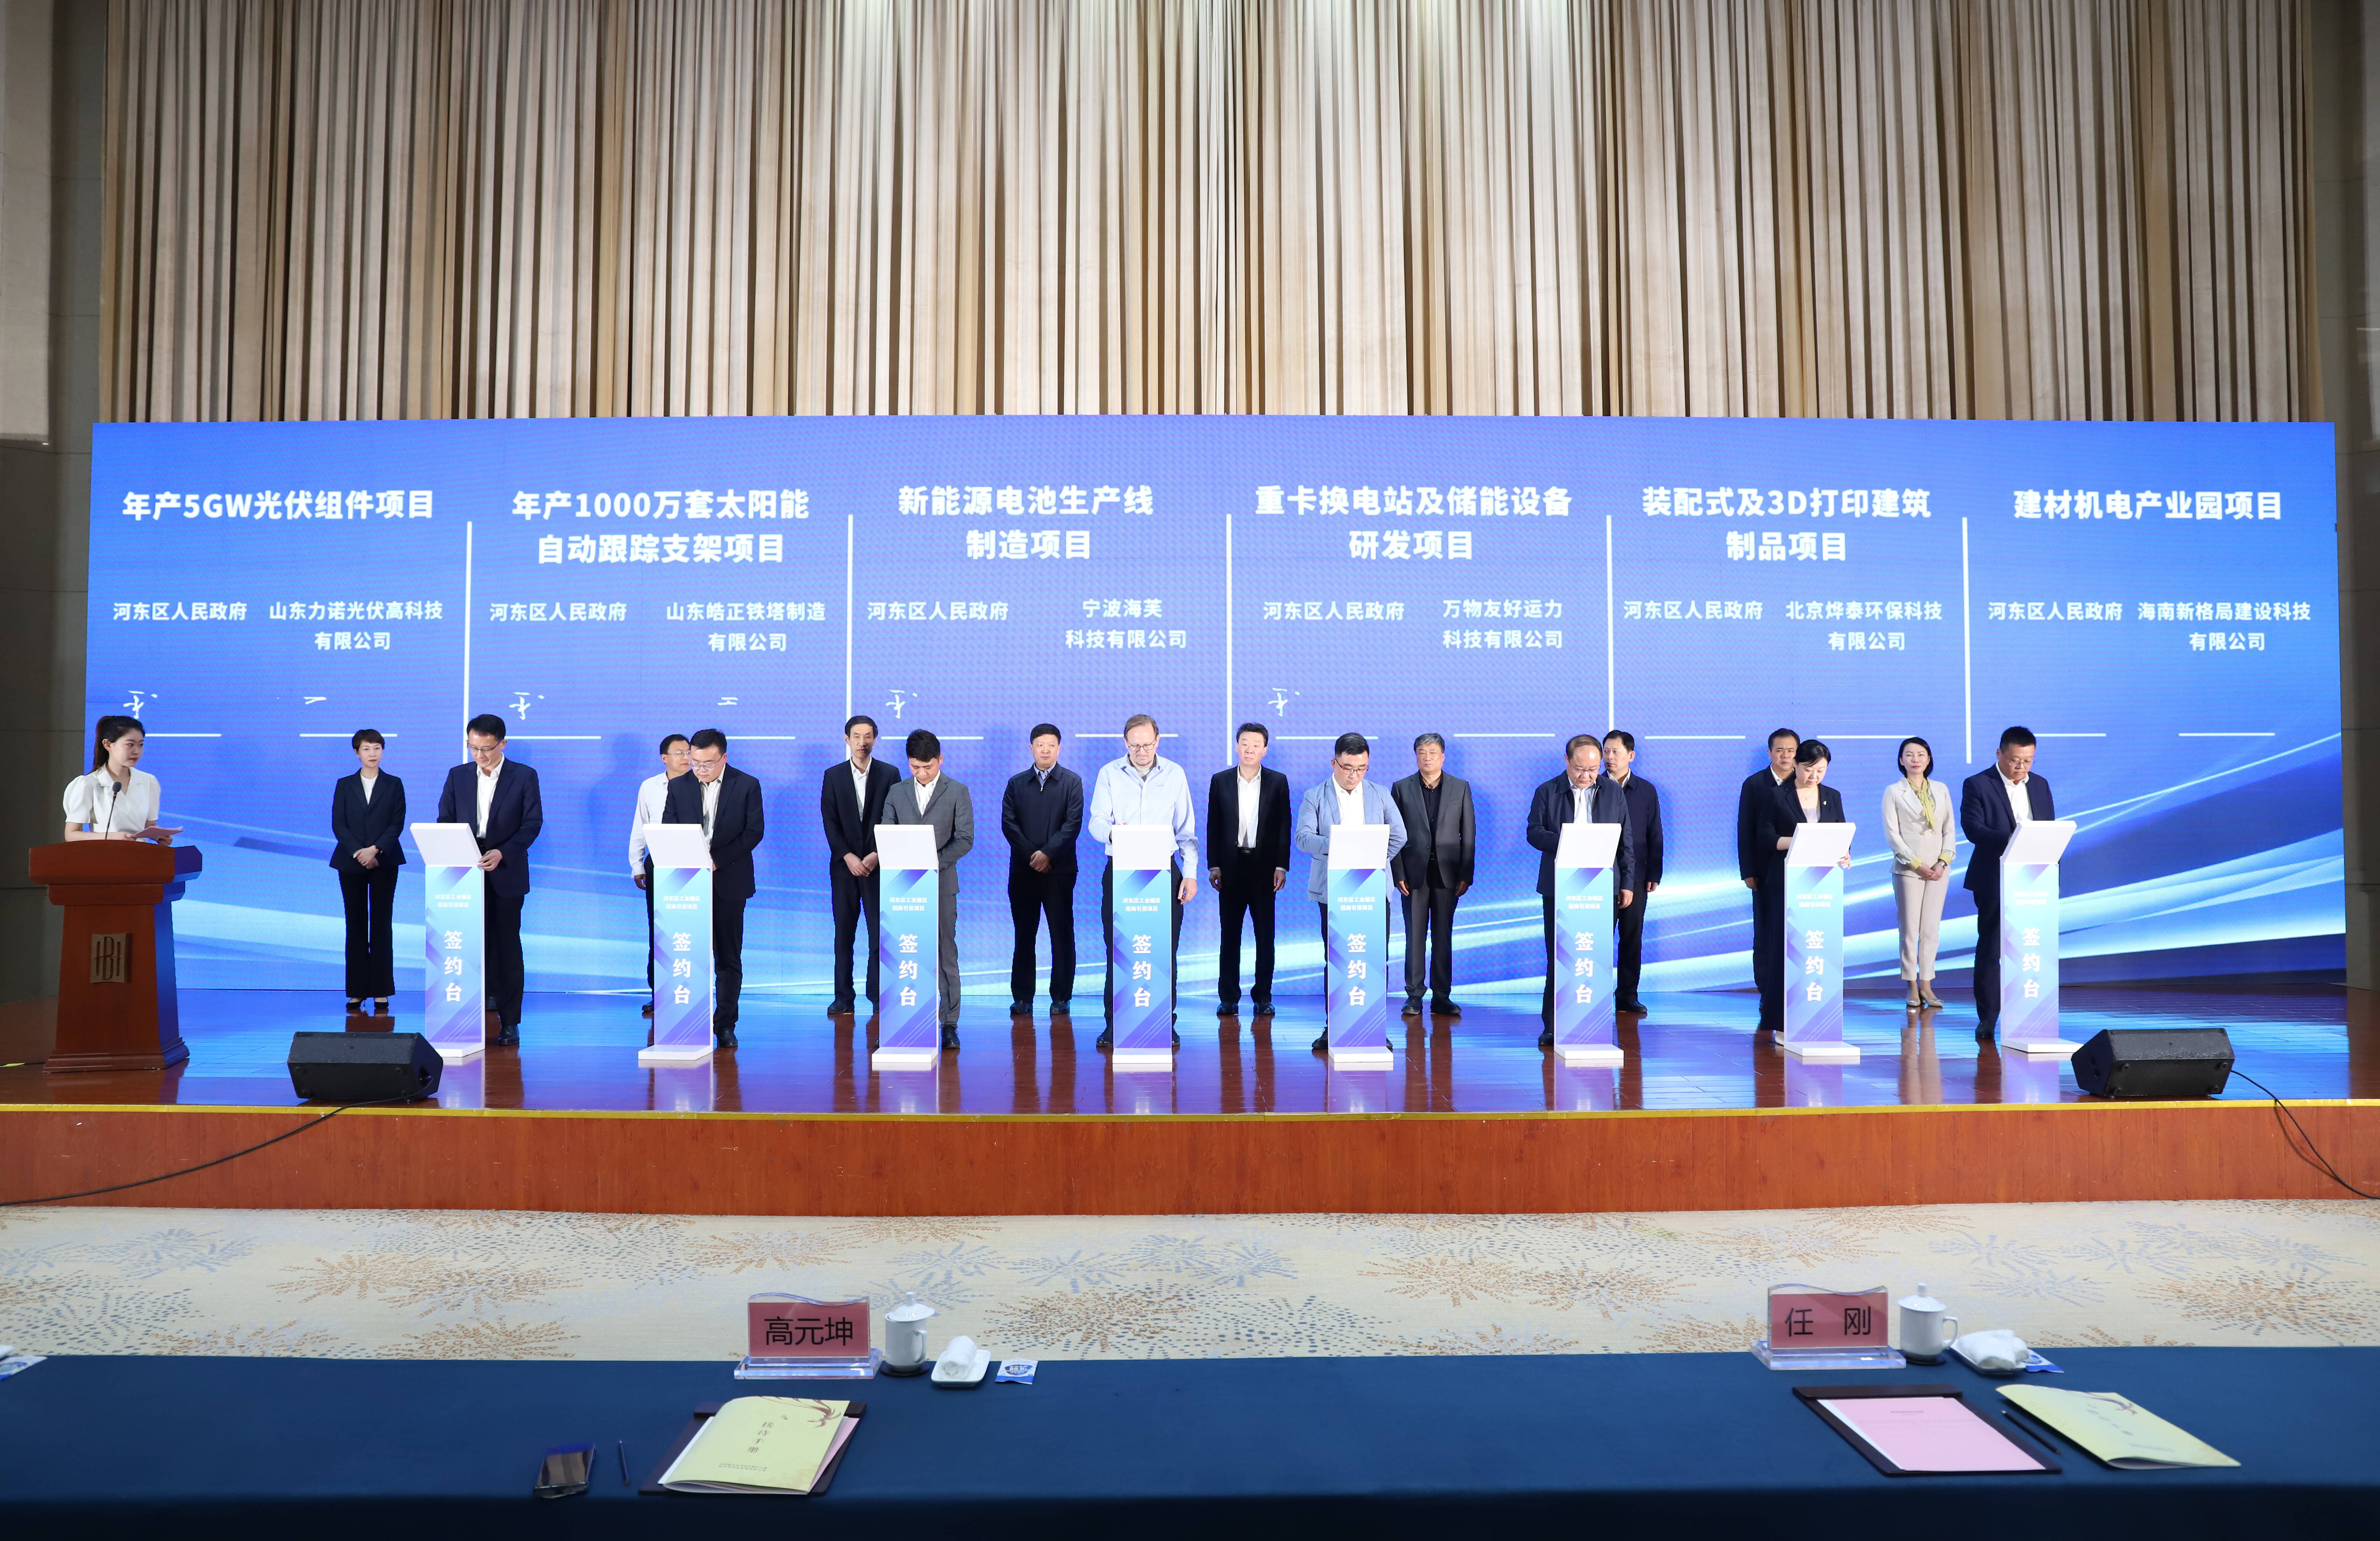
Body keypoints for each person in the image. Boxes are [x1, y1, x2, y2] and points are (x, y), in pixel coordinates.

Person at [1086, 713, 1198, 1050]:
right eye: (1135, 746)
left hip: (1164, 869)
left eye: (1148, 745)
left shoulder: (1175, 774)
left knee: (1164, 949)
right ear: (1126, 743)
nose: (1142, 751)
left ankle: (1165, 1023)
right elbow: (1096, 821)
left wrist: (1190, 874)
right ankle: (1114, 1024)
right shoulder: (1109, 773)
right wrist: (1117, 834)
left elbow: (1186, 830)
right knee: (1119, 948)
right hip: (1122, 867)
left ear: (1158, 741)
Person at [1293, 733, 1409, 1052]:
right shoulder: (1315, 796)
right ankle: (1334, 1026)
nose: (1354, 775)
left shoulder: (1380, 794)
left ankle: (1375, 1026)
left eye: (1361, 768)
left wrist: (1371, 860)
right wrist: (1343, 846)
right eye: (1347, 768)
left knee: (1374, 959)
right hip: (1333, 889)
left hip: (1373, 887)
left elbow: (1399, 836)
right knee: (1336, 960)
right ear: (1335, 763)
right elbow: (1303, 838)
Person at [436, 714, 543, 1046]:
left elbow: (532, 824)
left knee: (507, 946)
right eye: (473, 748)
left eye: (486, 749)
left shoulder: (524, 776)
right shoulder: (458, 776)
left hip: (506, 870)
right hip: (466, 872)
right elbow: (446, 819)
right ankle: (467, 1016)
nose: (479, 755)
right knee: (469, 945)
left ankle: (510, 1023)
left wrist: (502, 853)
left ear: (502, 744)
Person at [1525, 735, 1637, 1047]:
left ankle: (1593, 1024)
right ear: (1566, 761)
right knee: (1560, 958)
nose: (1587, 776)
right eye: (1579, 769)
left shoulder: (1613, 791)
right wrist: (1569, 841)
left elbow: (1625, 841)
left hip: (1602, 886)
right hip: (1560, 885)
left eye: (1593, 769)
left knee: (1594, 957)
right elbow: (1534, 832)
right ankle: (1553, 1025)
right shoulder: (1547, 791)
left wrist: (1627, 883)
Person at [663, 729, 765, 1050]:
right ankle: (686, 1021)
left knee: (728, 958)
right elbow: (669, 828)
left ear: (724, 758)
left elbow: (754, 832)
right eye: (695, 762)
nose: (700, 769)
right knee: (687, 955)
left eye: (708, 763)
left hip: (728, 881)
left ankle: (725, 1025)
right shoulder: (679, 786)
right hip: (687, 883)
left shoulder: (746, 784)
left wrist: (716, 862)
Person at [878, 729, 974, 1050]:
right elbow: (888, 832)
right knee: (902, 953)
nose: (921, 774)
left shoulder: (958, 791)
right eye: (915, 767)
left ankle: (949, 1023)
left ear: (941, 760)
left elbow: (965, 839)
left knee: (945, 953)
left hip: (942, 883)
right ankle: (901, 1019)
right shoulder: (896, 792)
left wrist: (932, 863)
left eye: (928, 767)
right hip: (902, 887)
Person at [1959, 726, 2054, 1038]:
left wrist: (2052, 870)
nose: (2021, 767)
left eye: (2028, 761)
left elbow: (2048, 831)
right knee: (1992, 949)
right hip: (1994, 878)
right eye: (2015, 760)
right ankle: (1988, 1018)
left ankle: (2031, 1012)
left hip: (2035, 880)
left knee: (2031, 946)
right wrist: (2014, 840)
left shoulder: (2040, 785)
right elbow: (1973, 829)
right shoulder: (1978, 784)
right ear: (2000, 754)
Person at [1758, 738, 1852, 1031]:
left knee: (1818, 948)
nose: (1814, 776)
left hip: (1823, 882)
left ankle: (1818, 1013)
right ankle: (1779, 1018)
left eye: (1821, 771)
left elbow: (1840, 831)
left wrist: (1845, 854)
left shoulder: (1833, 796)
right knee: (1785, 948)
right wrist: (1801, 841)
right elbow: (1765, 837)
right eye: (1809, 769)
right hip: (1787, 881)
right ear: (1796, 765)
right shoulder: (1777, 796)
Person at [1207, 722, 1291, 1019]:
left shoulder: (1278, 781)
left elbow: (1284, 826)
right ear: (1237, 747)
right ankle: (1229, 998)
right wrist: (1214, 865)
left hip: (1264, 869)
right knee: (1229, 936)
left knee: (1265, 936)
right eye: (1244, 743)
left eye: (1256, 745)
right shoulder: (1221, 781)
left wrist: (1281, 866)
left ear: (1265, 750)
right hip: (1230, 868)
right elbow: (1214, 825)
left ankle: (1263, 997)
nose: (1249, 749)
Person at [1388, 732, 1473, 1018]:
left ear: (1443, 757)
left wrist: (1466, 873)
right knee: (1414, 936)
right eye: (1422, 753)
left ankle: (1442, 996)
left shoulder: (1461, 787)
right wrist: (1397, 871)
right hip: (1413, 875)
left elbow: (1469, 834)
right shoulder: (1401, 788)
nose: (1427, 758)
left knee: (1443, 936)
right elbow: (1393, 834)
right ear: (1416, 757)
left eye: (1433, 753)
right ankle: (1414, 995)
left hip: (1448, 875)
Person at [1001, 723, 1084, 1018]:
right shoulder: (1016, 783)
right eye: (1040, 745)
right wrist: (1032, 856)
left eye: (1051, 745)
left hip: (1059, 871)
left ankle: (1061, 997)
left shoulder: (1072, 782)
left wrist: (1048, 854)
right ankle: (1023, 997)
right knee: (1024, 935)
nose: (1045, 750)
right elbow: (1009, 824)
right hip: (1023, 872)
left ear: (1059, 748)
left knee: (1061, 934)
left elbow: (1073, 824)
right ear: (1031, 748)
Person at [820, 714, 900, 1017]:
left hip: (879, 865)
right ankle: (843, 997)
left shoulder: (890, 774)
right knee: (844, 934)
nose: (862, 742)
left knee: (879, 934)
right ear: (847, 739)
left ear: (875, 740)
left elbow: (895, 818)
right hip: (845, 868)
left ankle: (878, 995)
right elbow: (830, 821)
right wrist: (848, 856)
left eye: (868, 737)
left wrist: (877, 853)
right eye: (857, 736)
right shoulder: (833, 775)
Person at [330, 728, 406, 1013]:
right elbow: (339, 824)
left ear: (383, 751)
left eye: (377, 748)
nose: (373, 754)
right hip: (351, 862)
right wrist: (359, 852)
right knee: (356, 924)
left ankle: (382, 990)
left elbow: (397, 823)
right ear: (357, 753)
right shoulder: (345, 784)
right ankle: (358, 990)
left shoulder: (394, 784)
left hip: (385, 860)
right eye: (366, 749)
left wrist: (375, 850)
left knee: (382, 924)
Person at [1881, 736, 1956, 1011]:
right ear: (1901, 760)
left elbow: (1950, 829)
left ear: (1929, 759)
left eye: (1921, 754)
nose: (1915, 759)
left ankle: (1927, 982)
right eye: (1910, 755)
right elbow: (1893, 834)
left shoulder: (1941, 789)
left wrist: (1943, 861)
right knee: (1910, 929)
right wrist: (1916, 864)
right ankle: (1911, 983)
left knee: (1931, 929)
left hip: (1939, 869)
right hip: (1909, 869)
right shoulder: (1894, 791)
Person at [1737, 727, 1799, 1032]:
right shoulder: (1755, 784)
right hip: (1765, 872)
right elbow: (1745, 830)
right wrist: (1748, 871)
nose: (1786, 756)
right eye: (1780, 750)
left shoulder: (1805, 783)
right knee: (1766, 933)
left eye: (1791, 751)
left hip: (1801, 872)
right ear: (1770, 753)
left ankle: (1794, 992)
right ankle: (1767, 992)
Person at [629, 733, 692, 1016]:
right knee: (660, 931)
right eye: (679, 753)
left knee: (690, 931)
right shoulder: (650, 787)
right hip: (660, 863)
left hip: (694, 864)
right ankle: (659, 993)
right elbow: (641, 826)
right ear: (664, 758)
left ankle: (692, 992)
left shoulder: (700, 784)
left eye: (689, 752)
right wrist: (637, 864)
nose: (686, 757)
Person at [1602, 730, 1663, 1016]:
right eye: (1606, 751)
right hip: (1600, 873)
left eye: (1615, 752)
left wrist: (1654, 872)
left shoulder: (1646, 790)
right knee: (1598, 936)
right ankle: (1595, 993)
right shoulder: (1594, 786)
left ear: (1631, 755)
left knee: (1631, 937)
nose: (1609, 757)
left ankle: (1627, 995)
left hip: (1636, 875)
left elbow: (1655, 834)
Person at [63, 715, 171, 844]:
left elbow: (150, 825)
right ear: (108, 745)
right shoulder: (88, 784)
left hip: (141, 853)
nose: (137, 751)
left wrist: (160, 836)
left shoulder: (149, 781)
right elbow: (72, 835)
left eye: (141, 745)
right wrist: (111, 837)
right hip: (105, 853)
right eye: (130, 745)